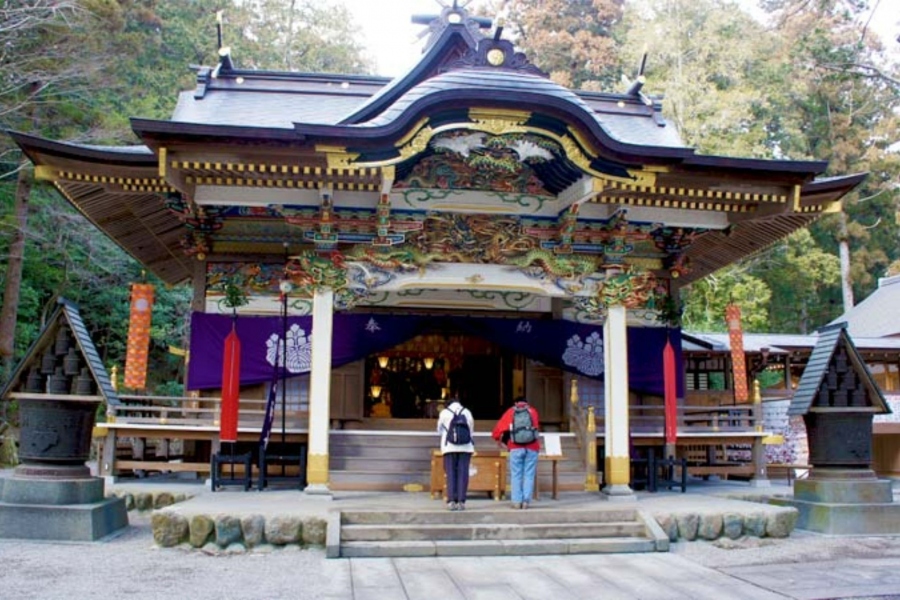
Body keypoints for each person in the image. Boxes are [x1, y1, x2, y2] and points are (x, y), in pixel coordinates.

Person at [492, 396, 540, 509]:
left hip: (515, 446)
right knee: (529, 474)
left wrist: (498, 439)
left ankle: (516, 501)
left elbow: (498, 430)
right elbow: (536, 428)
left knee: (516, 474)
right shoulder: (533, 412)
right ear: (527, 403)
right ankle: (526, 501)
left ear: (515, 403)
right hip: (532, 446)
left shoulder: (510, 412)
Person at [437, 397, 475, 511]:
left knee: (450, 473)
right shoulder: (467, 411)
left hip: (449, 447)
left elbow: (439, 429)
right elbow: (471, 429)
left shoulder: (444, 413)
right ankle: (461, 501)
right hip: (466, 447)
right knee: (463, 474)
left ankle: (451, 500)